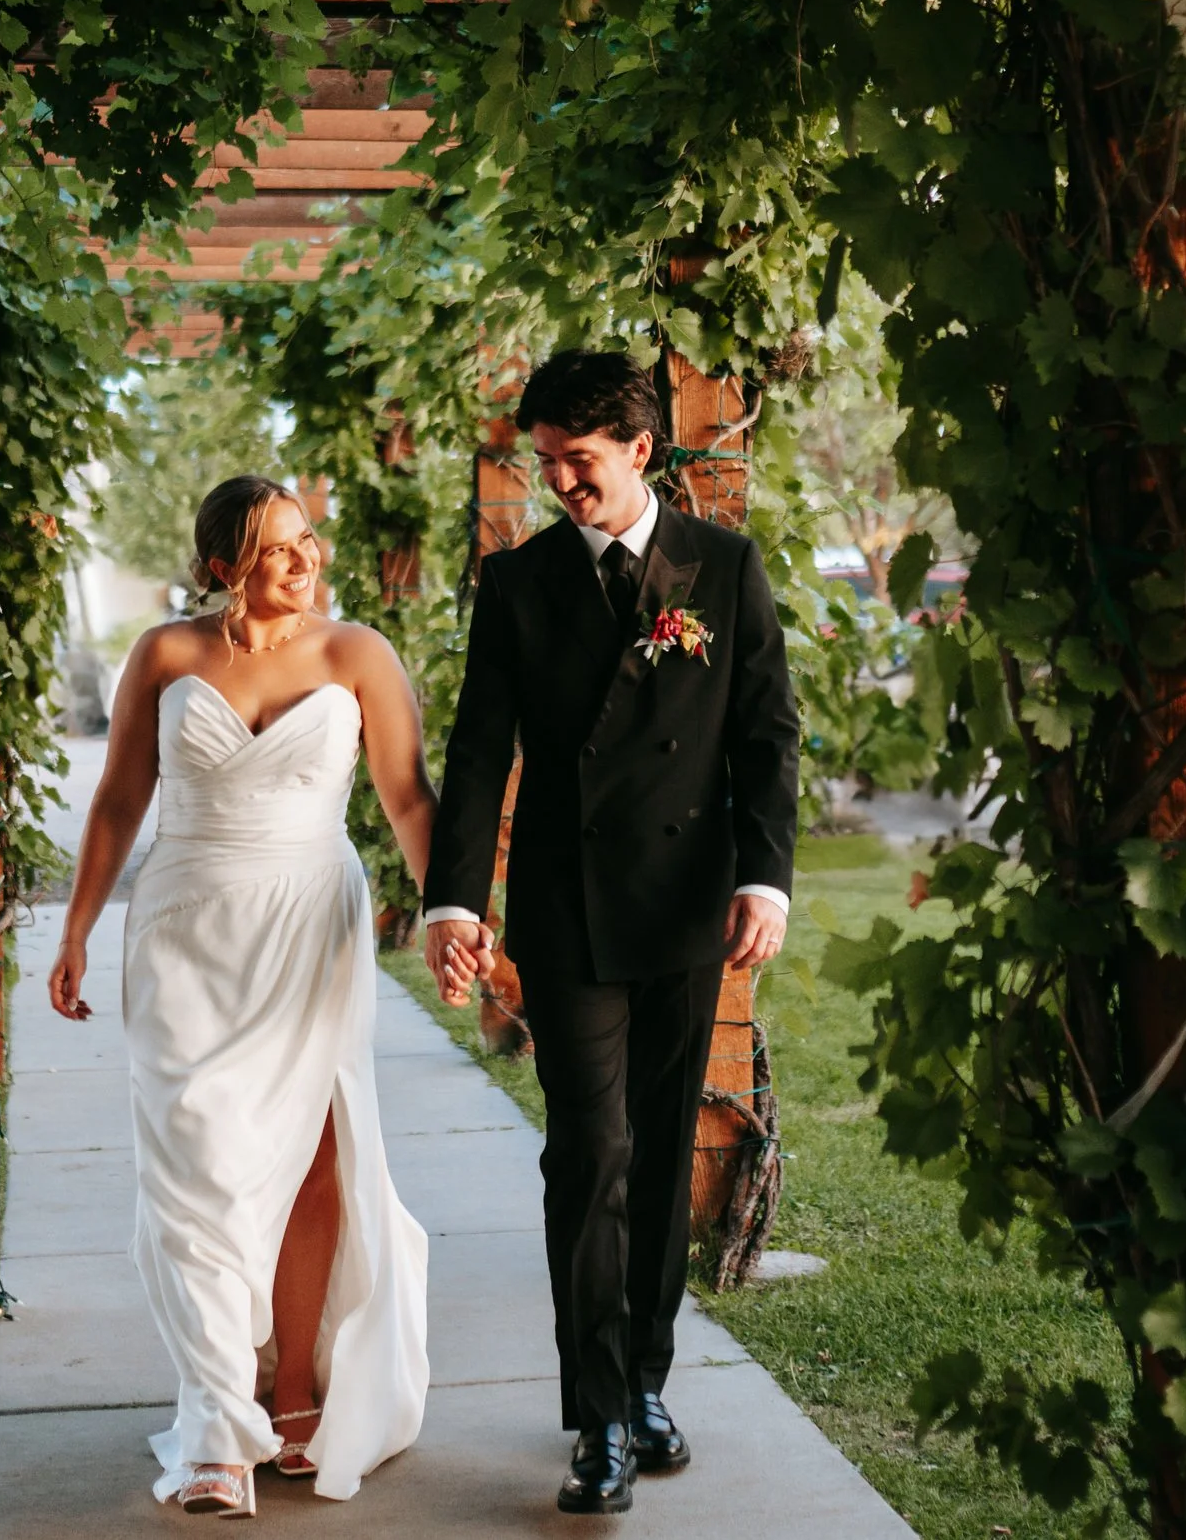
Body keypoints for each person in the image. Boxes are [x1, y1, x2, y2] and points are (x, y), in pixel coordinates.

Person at [420, 350, 799, 1516]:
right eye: (545, 465)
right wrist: (451, 902)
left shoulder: (721, 568)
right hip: (567, 907)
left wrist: (767, 880)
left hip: (688, 903)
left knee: (659, 1145)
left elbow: (764, 736)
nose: (560, 484)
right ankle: (593, 1419)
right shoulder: (519, 581)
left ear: (640, 449)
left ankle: (643, 1384)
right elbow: (481, 749)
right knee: (589, 1156)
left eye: (578, 462)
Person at [49, 475, 434, 1517]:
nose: (302, 561)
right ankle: (220, 1420)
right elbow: (122, 794)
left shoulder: (357, 655)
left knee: (313, 1152)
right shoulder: (167, 654)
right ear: (223, 563)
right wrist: (78, 926)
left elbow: (405, 798)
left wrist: (456, 919)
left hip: (310, 921)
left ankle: (298, 1392)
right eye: (274, 548)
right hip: (184, 926)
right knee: (197, 1164)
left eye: (306, 541)